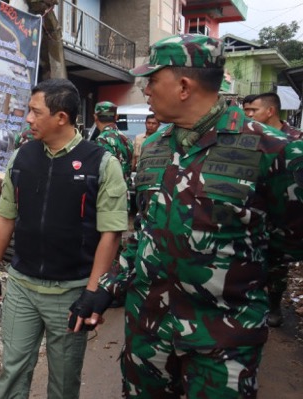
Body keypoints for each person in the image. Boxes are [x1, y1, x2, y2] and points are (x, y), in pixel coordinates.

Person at [78, 34, 303, 399]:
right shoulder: (152, 147)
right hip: (148, 335)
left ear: (183, 86)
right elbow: (146, 232)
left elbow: (290, 239)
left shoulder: (273, 150)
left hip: (223, 341)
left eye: (151, 80)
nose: (146, 89)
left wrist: (236, 269)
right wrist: (107, 287)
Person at [0, 79, 127, 399]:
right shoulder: (23, 157)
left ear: (61, 117)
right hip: (22, 286)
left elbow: (111, 233)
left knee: (63, 380)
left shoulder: (101, 163)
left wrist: (92, 292)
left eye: (36, 112)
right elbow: (6, 216)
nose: (28, 119)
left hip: (70, 291)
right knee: (13, 369)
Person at [242, 92, 303, 327]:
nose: (248, 115)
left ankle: (275, 304)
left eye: (252, 110)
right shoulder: (250, 139)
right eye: (245, 110)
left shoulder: (294, 140)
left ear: (270, 111)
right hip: (255, 212)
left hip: (283, 214)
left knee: (277, 265)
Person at [93, 101, 135, 183]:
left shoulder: (102, 139)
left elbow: (102, 170)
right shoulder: (126, 138)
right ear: (116, 117)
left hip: (110, 190)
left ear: (95, 117)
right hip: (125, 190)